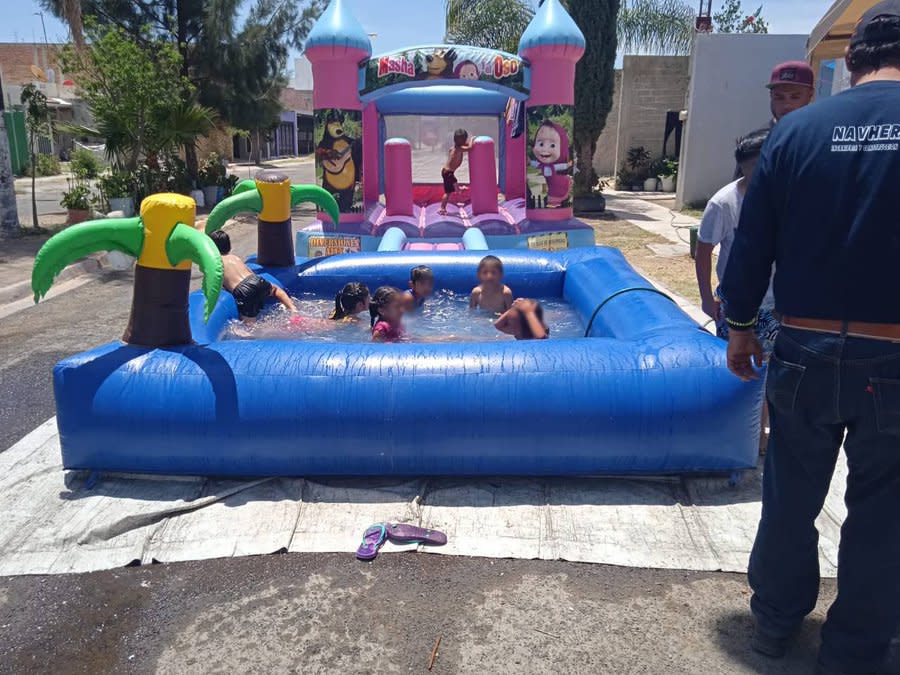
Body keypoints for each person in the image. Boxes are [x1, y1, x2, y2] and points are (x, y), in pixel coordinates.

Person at [720, 4, 900, 672]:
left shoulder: (796, 133)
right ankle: (855, 648)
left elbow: (752, 243)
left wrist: (739, 327)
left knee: (790, 493)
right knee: (884, 512)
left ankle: (772, 620)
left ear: (849, 61)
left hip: (804, 345)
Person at [696, 128, 779, 353]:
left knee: (772, 367)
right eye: (755, 171)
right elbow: (703, 251)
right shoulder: (724, 203)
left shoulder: (788, 196)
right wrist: (706, 298)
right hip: (737, 300)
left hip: (778, 304)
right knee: (736, 365)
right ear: (743, 168)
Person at [210, 230, 297, 322]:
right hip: (256, 280)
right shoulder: (235, 258)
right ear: (229, 246)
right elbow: (250, 272)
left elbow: (214, 284)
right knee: (276, 290)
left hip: (243, 290)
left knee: (248, 326)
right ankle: (292, 309)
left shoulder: (215, 262)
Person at [767, 60, 815, 125]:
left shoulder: (823, 133)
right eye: (779, 98)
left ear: (810, 95)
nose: (786, 106)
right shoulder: (762, 135)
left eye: (795, 97)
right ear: (771, 95)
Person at [439, 129, 473, 216]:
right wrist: (473, 139)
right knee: (448, 193)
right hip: (449, 173)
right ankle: (442, 208)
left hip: (446, 171)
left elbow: (464, 147)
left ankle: (458, 189)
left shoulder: (453, 148)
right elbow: (470, 148)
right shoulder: (459, 149)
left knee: (451, 187)